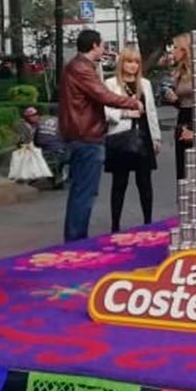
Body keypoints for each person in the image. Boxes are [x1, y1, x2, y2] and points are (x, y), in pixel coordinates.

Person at [59, 29, 142, 242]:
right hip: (86, 136)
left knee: (81, 190)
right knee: (84, 192)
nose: (104, 49)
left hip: (80, 135)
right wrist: (132, 102)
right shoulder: (81, 69)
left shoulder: (76, 67)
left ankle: (75, 237)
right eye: (102, 45)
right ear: (94, 45)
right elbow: (103, 95)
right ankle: (77, 241)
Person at [104, 45, 161, 232]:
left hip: (143, 137)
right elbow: (106, 111)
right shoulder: (111, 83)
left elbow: (151, 111)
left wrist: (156, 137)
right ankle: (115, 225)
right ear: (122, 63)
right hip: (121, 137)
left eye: (136, 62)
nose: (133, 66)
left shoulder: (145, 84)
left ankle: (148, 222)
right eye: (129, 61)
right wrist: (127, 114)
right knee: (119, 182)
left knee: (144, 182)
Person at [163, 33, 195, 182]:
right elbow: (180, 101)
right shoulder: (178, 72)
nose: (172, 51)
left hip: (194, 117)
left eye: (175, 48)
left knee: (193, 163)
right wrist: (173, 99)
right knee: (182, 165)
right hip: (182, 115)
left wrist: (193, 128)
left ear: (184, 50)